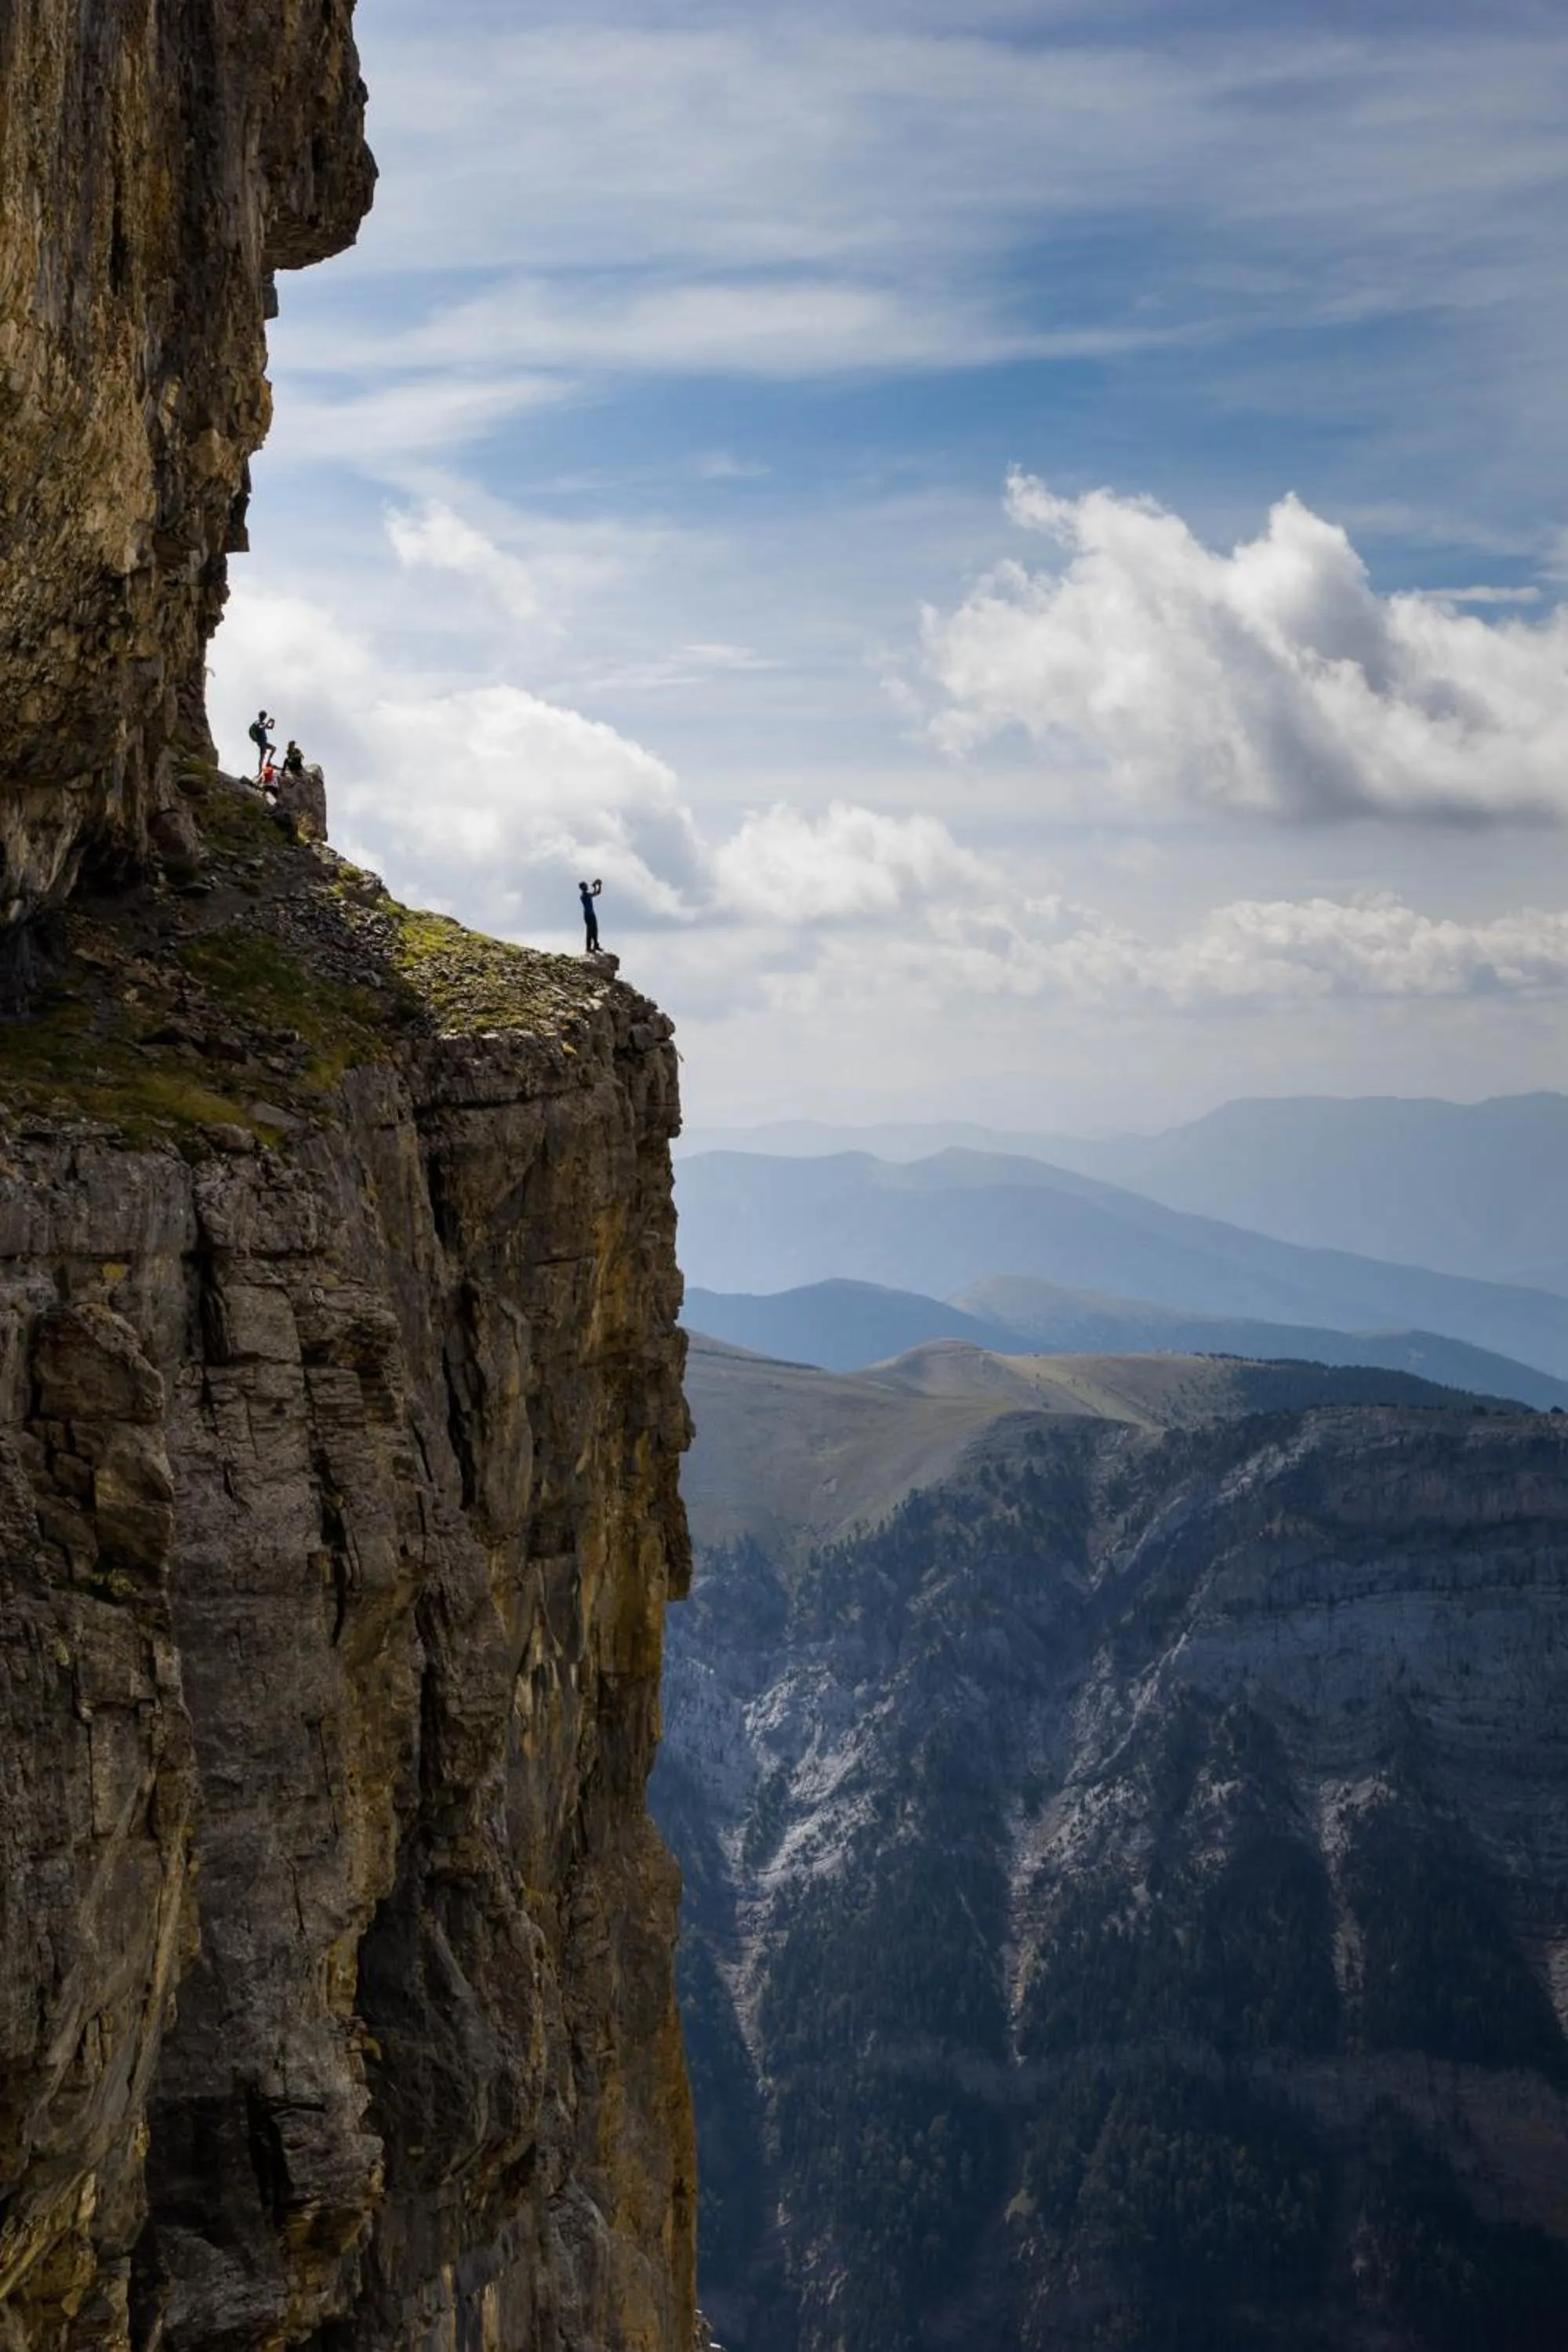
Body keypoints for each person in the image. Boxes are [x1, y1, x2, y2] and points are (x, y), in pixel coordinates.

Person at [247, 710, 276, 779]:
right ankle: (260, 771)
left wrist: (273, 722)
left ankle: (268, 762)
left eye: (265, 716)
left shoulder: (262, 723)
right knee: (262, 757)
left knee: (274, 748)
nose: (265, 718)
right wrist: (269, 721)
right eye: (264, 716)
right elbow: (262, 728)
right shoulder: (258, 722)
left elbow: (271, 728)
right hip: (261, 742)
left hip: (264, 742)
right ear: (261, 716)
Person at [579, 877, 603, 953]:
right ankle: (589, 947)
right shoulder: (584, 895)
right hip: (588, 915)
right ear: (582, 888)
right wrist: (596, 886)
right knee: (590, 931)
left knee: (595, 930)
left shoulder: (586, 894)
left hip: (592, 914)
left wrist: (598, 886)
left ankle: (596, 945)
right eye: (585, 886)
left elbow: (597, 893)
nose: (587, 886)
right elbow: (595, 894)